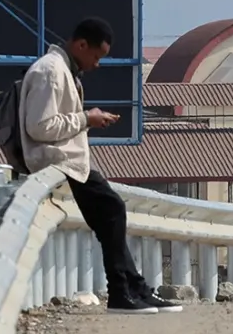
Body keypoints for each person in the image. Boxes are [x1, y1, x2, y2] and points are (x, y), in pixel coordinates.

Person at [20, 17, 180, 313]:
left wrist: (87, 119)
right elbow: (39, 126)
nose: (97, 64)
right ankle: (122, 291)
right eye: (96, 56)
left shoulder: (62, 69)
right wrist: (86, 119)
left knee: (110, 218)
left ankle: (133, 288)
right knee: (113, 211)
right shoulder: (51, 71)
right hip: (58, 162)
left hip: (68, 161)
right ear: (81, 45)